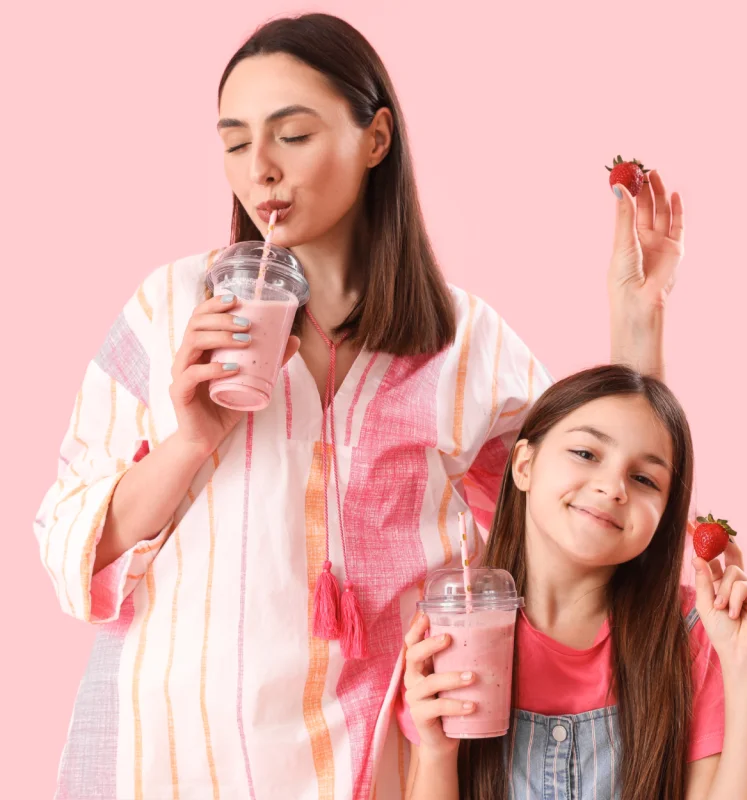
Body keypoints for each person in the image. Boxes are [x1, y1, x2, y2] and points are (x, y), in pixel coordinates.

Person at [34, 14, 686, 800]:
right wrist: (189, 441)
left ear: (376, 139)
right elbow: (75, 548)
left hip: (382, 754)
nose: (260, 169)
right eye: (236, 143)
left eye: (293, 135)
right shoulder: (170, 308)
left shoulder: (467, 343)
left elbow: (583, 512)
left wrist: (637, 321)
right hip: (179, 750)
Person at [402, 365, 747, 800]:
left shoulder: (693, 631)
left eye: (644, 479)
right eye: (586, 453)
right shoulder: (457, 628)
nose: (613, 487)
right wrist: (435, 754)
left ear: (662, 518)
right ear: (525, 465)